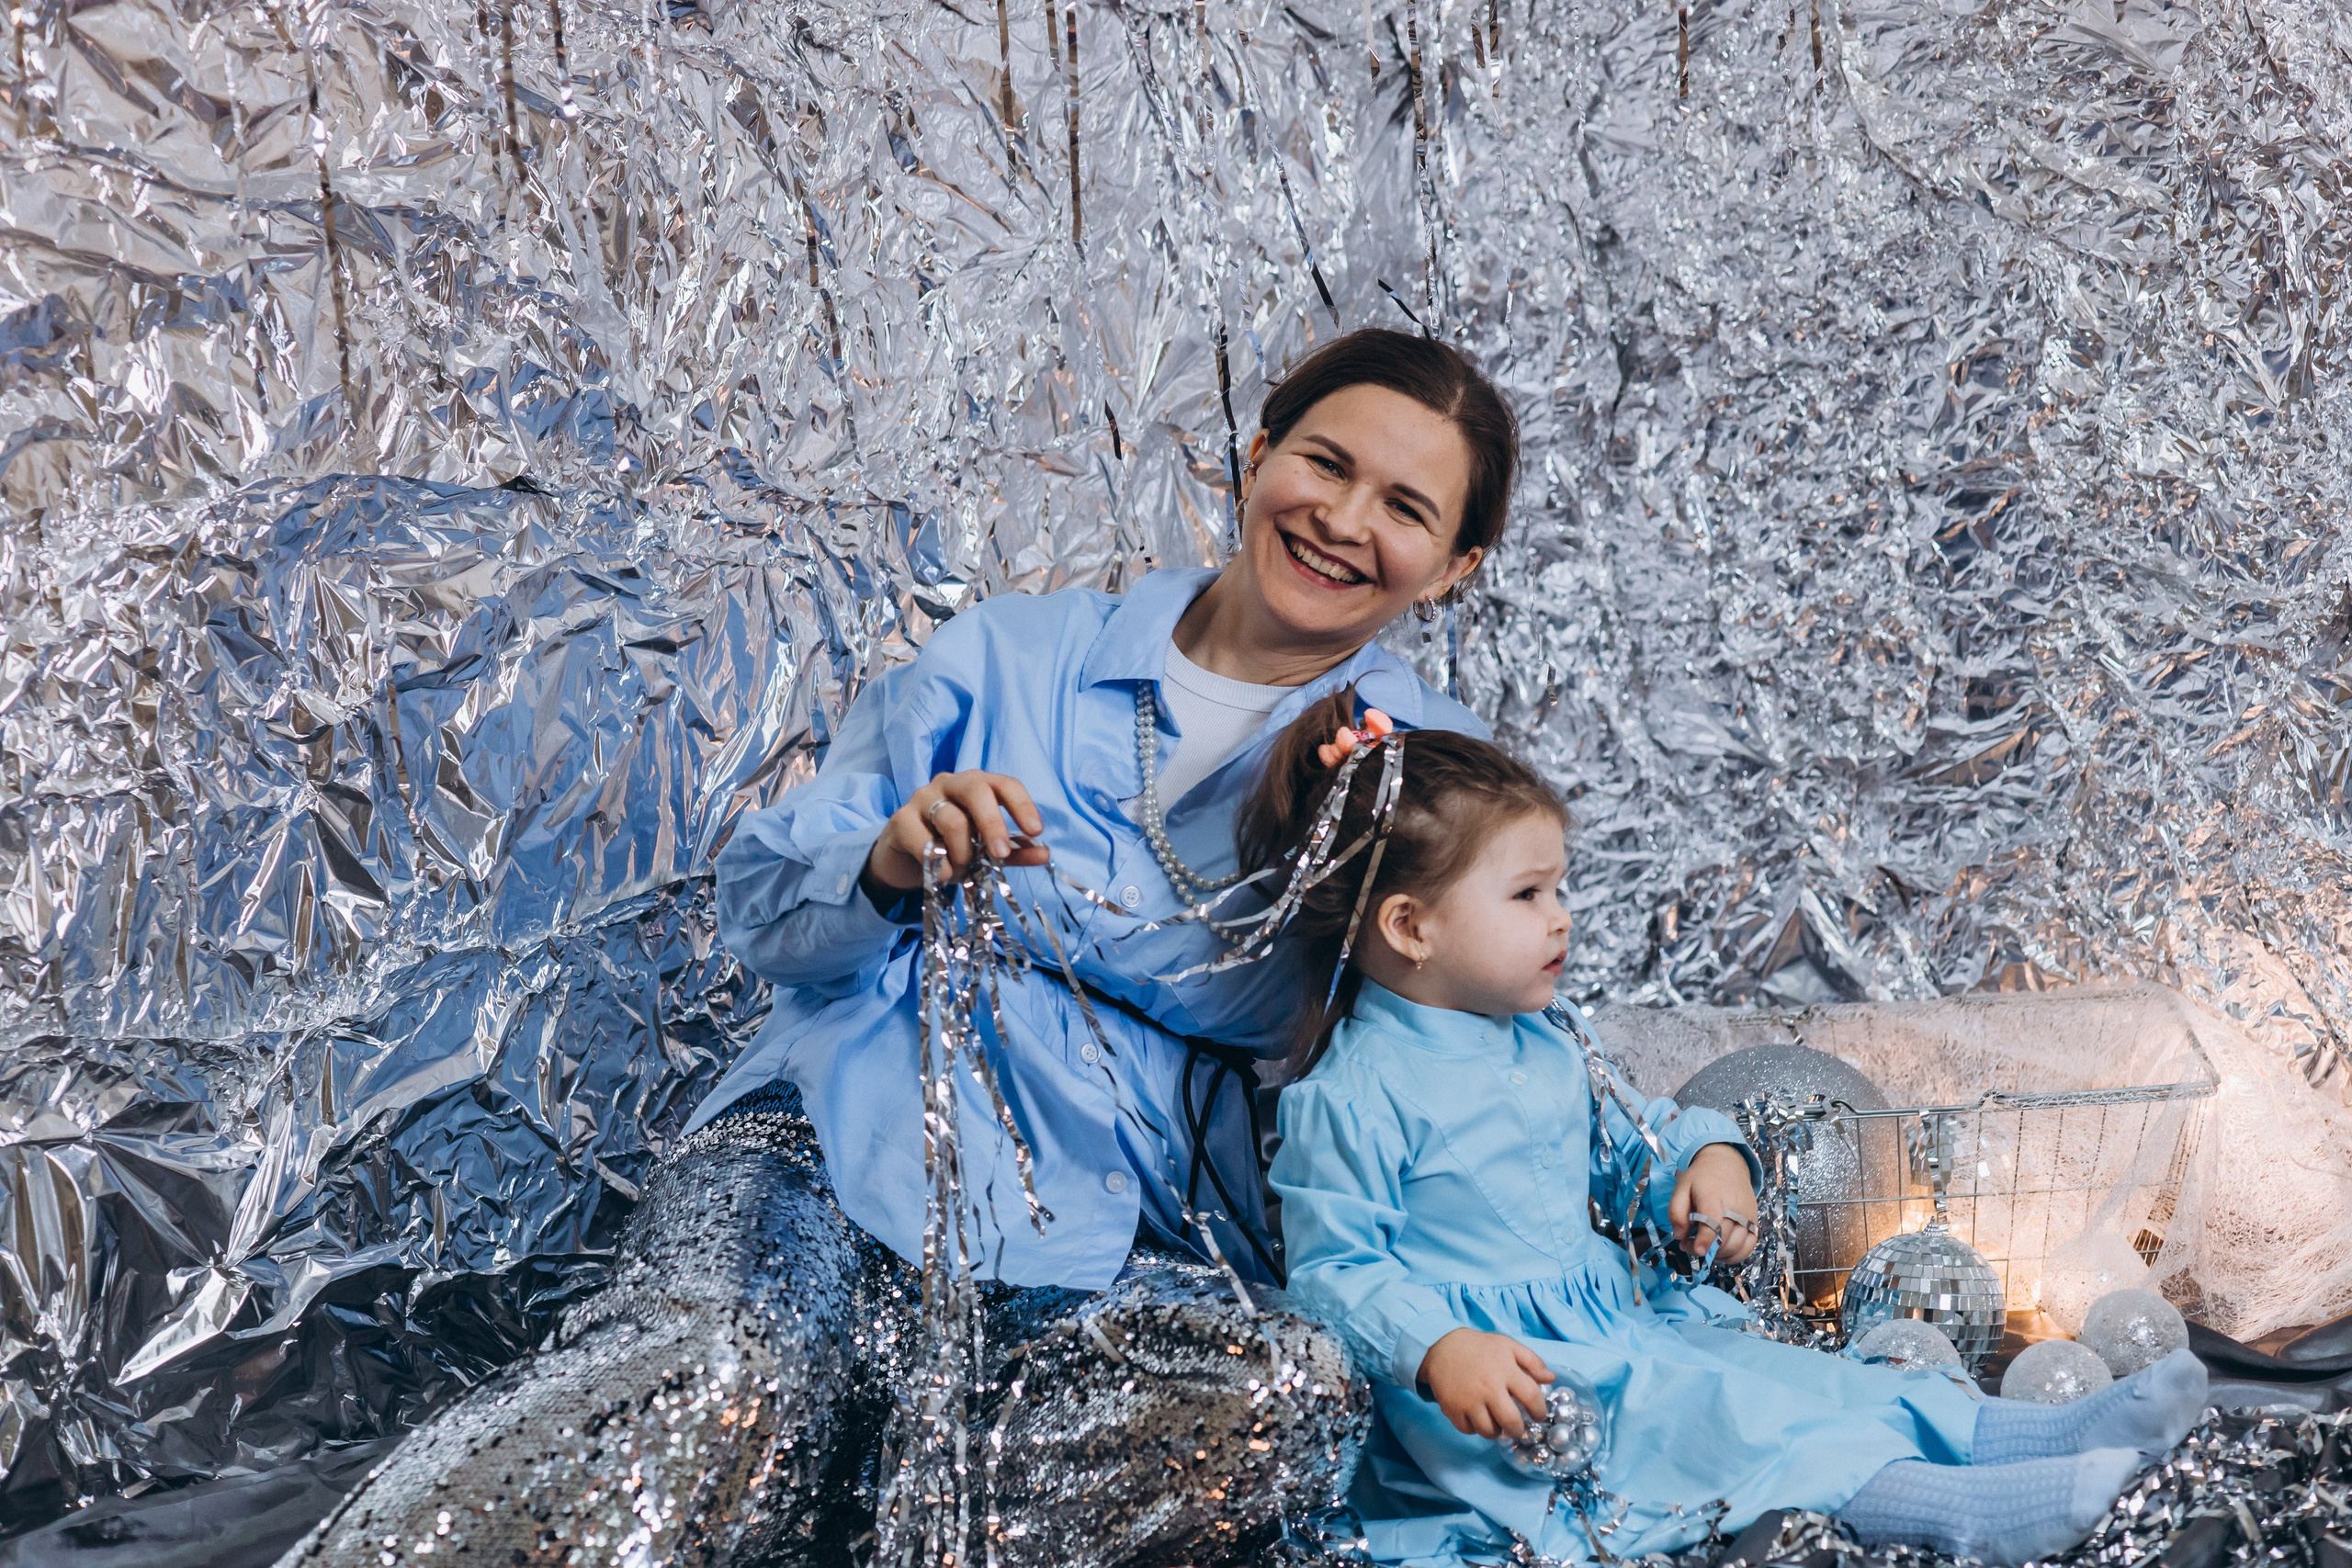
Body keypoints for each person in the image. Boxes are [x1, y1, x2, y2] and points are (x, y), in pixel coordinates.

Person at [278, 329, 1521, 1568]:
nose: (1344, 517)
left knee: (1286, 1393)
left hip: (1107, 1238)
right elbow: (761, 912)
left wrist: (1328, 853)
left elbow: (1462, 1051)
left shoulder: (1427, 778)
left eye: (1406, 506)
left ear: (1456, 566)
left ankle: (845, 1502)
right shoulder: (1011, 654)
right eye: (1325, 461)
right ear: (1257, 456)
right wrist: (887, 856)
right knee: (719, 1374)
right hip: (825, 1151)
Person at [1251, 705, 2212, 1568]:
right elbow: (1336, 1273)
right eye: (1527, 896)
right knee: (1733, 1421)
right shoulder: (1352, 1093)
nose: (1563, 919)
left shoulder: (1546, 1040)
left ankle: (2026, 1438)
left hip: (1624, 1322)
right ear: (1410, 926)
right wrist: (1440, 1348)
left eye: (1559, 889)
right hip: (1526, 1381)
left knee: (1797, 1382)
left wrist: (1703, 1157)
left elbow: (1635, 1142)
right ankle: (1962, 1512)